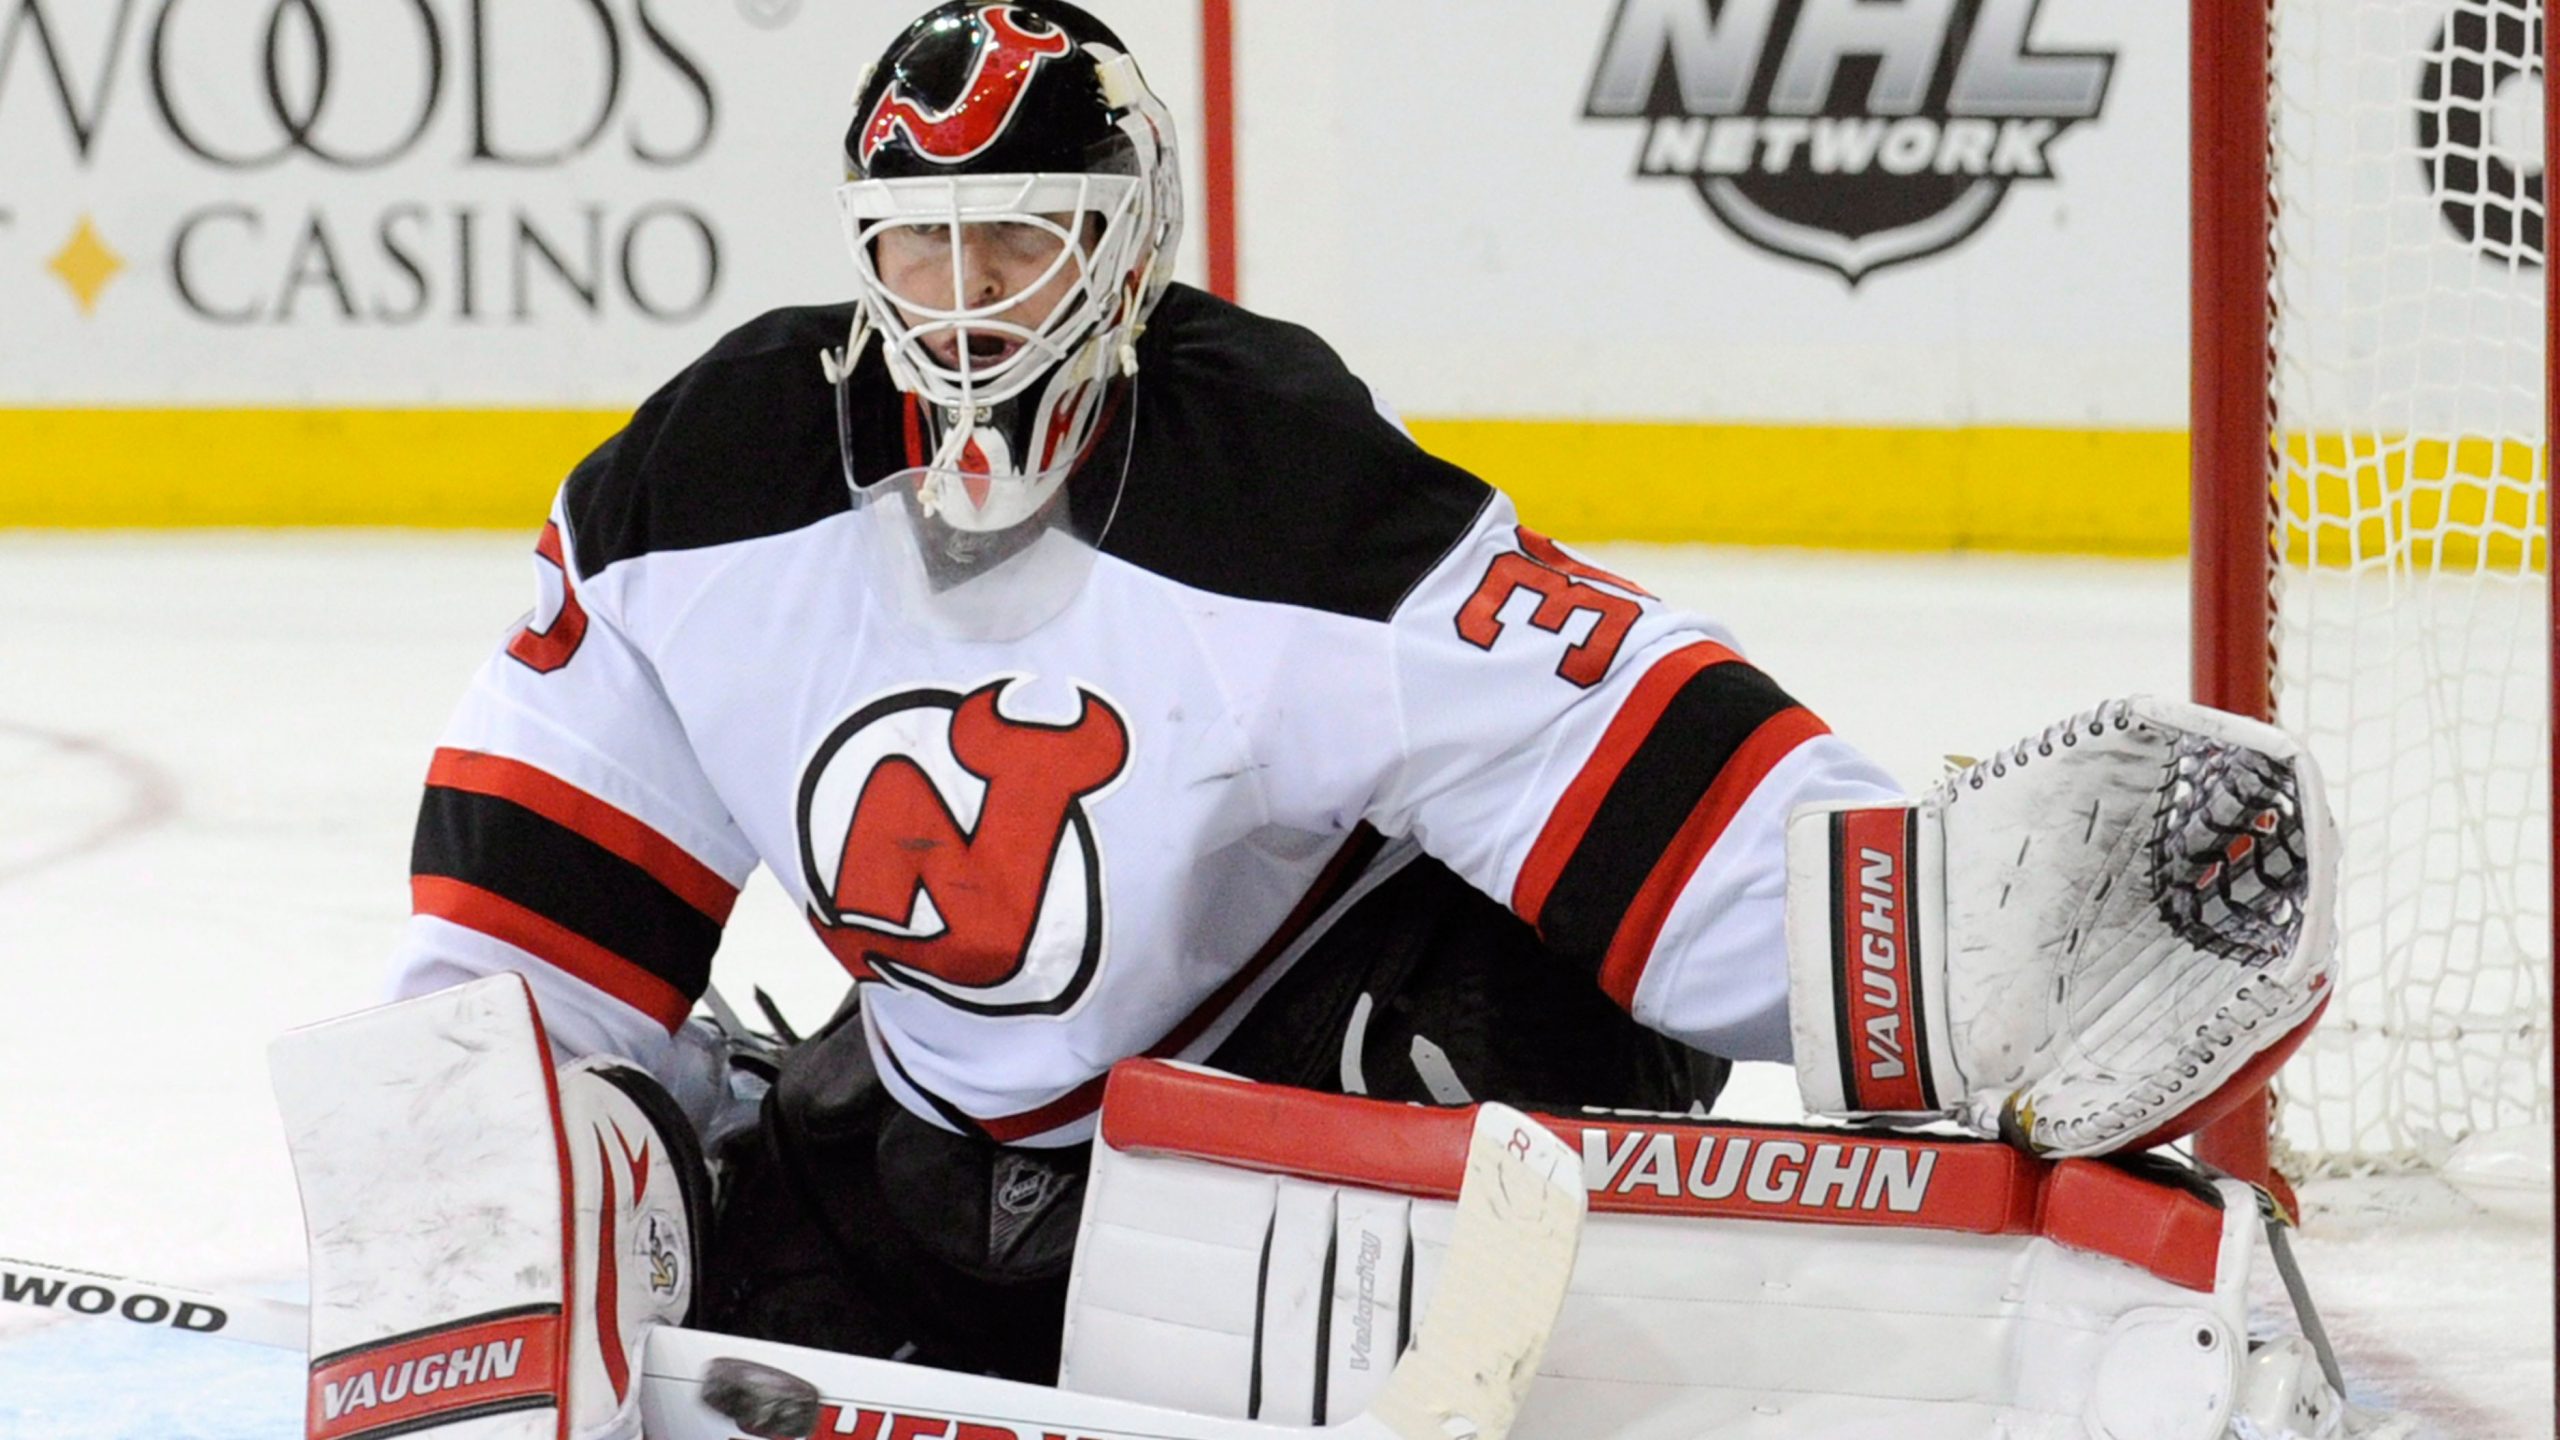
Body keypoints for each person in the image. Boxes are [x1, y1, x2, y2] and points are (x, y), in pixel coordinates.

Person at [382, 0, 2328, 1394]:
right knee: (598, 1149)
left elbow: (1612, 746)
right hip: (903, 1132)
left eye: (1019, 233)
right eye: (922, 241)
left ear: (1123, 245)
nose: (966, 291)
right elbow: (523, 927)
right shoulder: (697, 487)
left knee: (1517, 997)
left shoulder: (1282, 489)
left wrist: (1909, 929)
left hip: (1266, 1128)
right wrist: (480, 1215)